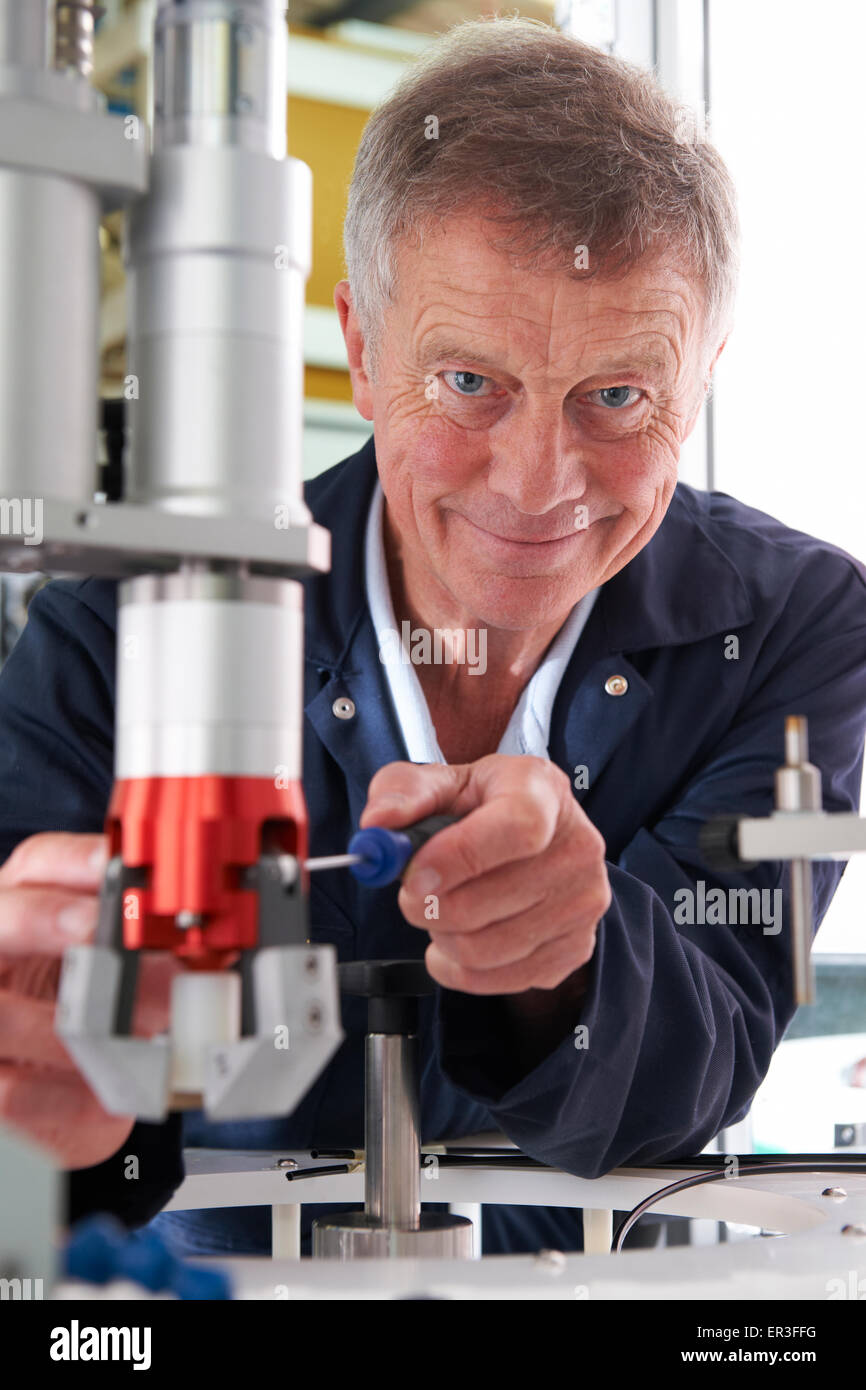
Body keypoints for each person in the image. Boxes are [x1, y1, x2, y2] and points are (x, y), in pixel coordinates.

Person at [1, 16, 865, 1257]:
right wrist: (64, 1114)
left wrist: (570, 963)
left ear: (702, 374)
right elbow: (42, 1155)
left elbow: (704, 1057)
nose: (536, 482)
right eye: (469, 383)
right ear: (360, 346)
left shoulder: (795, 623)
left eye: (615, 395)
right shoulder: (119, 623)